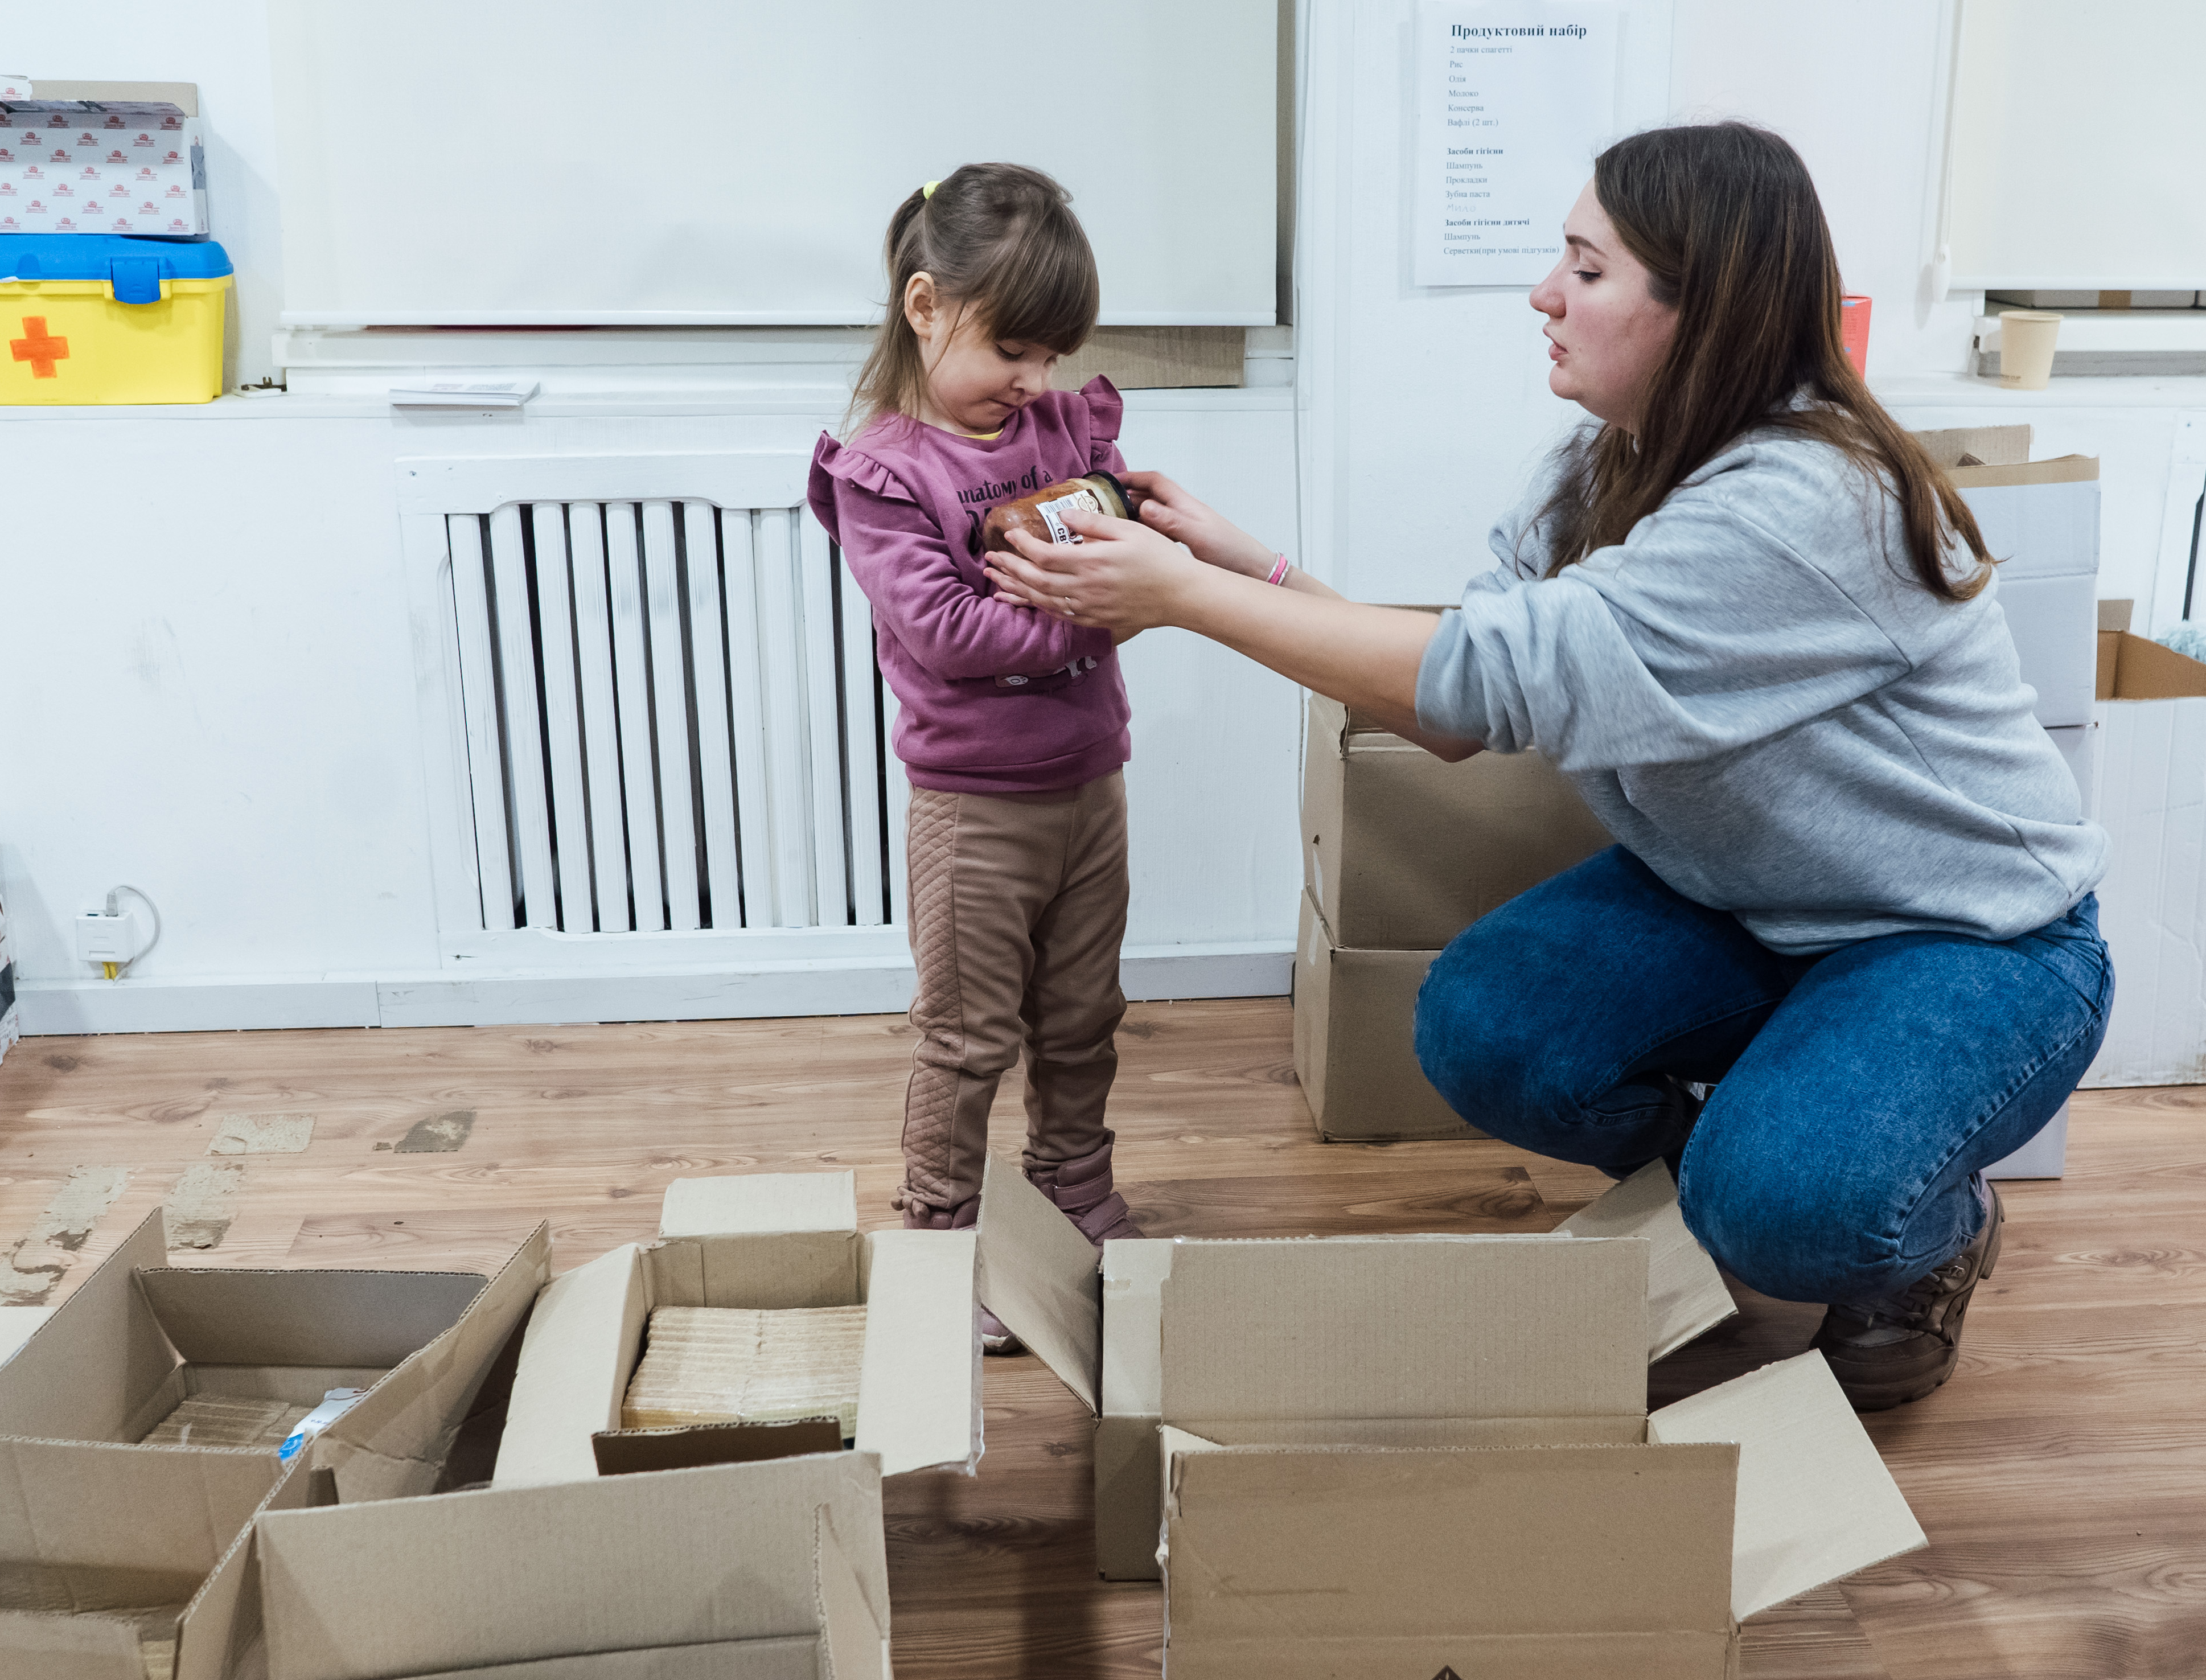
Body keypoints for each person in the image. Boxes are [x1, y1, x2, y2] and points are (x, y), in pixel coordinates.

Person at [984, 121, 2111, 1408]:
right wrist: (1245, 568)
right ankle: (1773, 1146)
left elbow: (1486, 678)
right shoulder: (1597, 467)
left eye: (1584, 267)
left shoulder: (1805, 503)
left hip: (1965, 940)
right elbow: (1457, 700)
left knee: (1793, 1207)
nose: (1542, 295)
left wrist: (1183, 597)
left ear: (1701, 310)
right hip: (1738, 901)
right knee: (1486, 1033)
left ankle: (1922, 1231)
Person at [806, 163, 1149, 1308]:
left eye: (1051, 354)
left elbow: (1117, 537)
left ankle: (1072, 1192)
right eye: (1012, 350)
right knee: (965, 1040)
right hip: (975, 813)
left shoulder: (1061, 426)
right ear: (924, 307)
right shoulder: (888, 474)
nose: (1036, 380)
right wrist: (1092, 608)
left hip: (1089, 787)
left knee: (1082, 1016)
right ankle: (945, 1238)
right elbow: (951, 632)